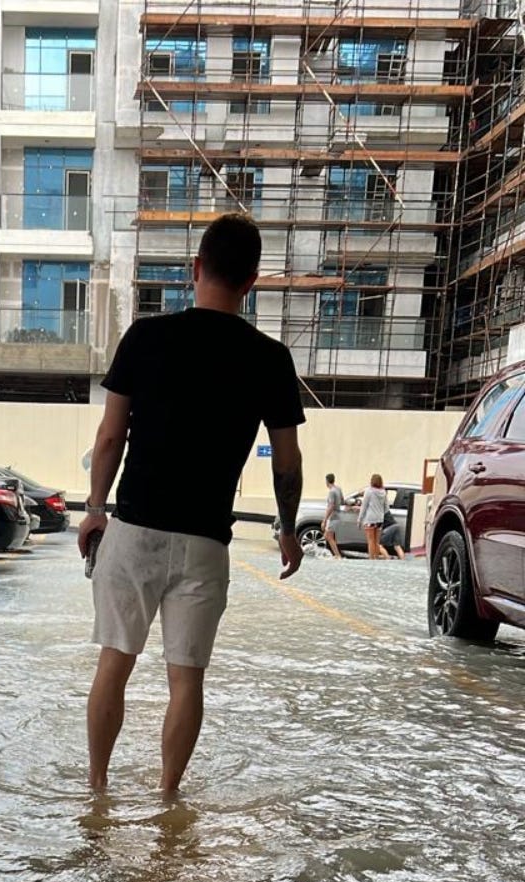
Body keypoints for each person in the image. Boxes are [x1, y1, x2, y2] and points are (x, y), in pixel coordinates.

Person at [78, 212, 305, 797]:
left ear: (195, 268)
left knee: (115, 663)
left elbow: (110, 437)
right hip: (207, 541)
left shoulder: (146, 337)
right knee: (187, 679)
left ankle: (98, 790)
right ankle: (168, 796)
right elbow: (286, 460)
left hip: (134, 530)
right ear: (251, 282)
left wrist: (95, 507)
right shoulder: (270, 358)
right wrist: (286, 528)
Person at [358, 473, 391, 560]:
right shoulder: (383, 492)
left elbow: (364, 506)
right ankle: (376, 558)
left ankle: (371, 559)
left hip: (370, 519)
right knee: (376, 541)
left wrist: (359, 519)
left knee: (370, 541)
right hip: (380, 519)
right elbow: (386, 508)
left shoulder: (369, 491)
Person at [322, 472, 346, 558]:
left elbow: (331, 506)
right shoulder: (338, 489)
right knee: (326, 535)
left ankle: (337, 555)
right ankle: (325, 552)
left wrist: (324, 520)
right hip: (337, 515)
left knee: (329, 537)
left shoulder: (332, 492)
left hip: (333, 516)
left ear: (327, 481)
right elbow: (343, 500)